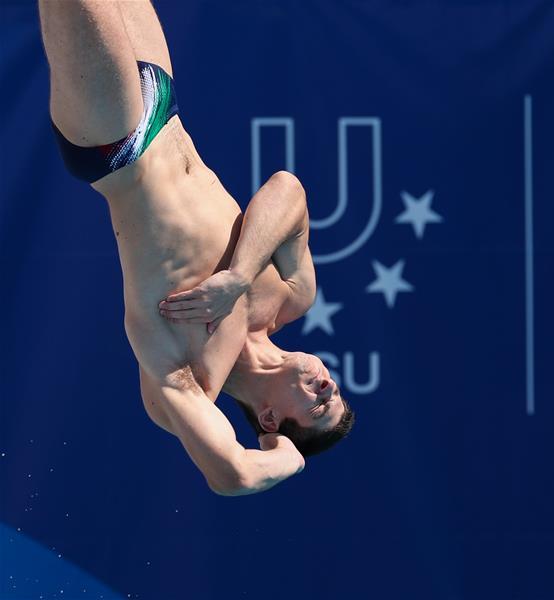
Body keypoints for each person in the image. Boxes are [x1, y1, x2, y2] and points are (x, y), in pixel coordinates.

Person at [38, 0, 354, 496]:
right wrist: (238, 278)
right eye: (336, 392)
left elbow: (234, 476)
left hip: (116, 144)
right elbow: (287, 190)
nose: (328, 386)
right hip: (165, 105)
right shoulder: (292, 296)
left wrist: (289, 462)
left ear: (269, 419)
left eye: (319, 406)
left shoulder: (189, 381)